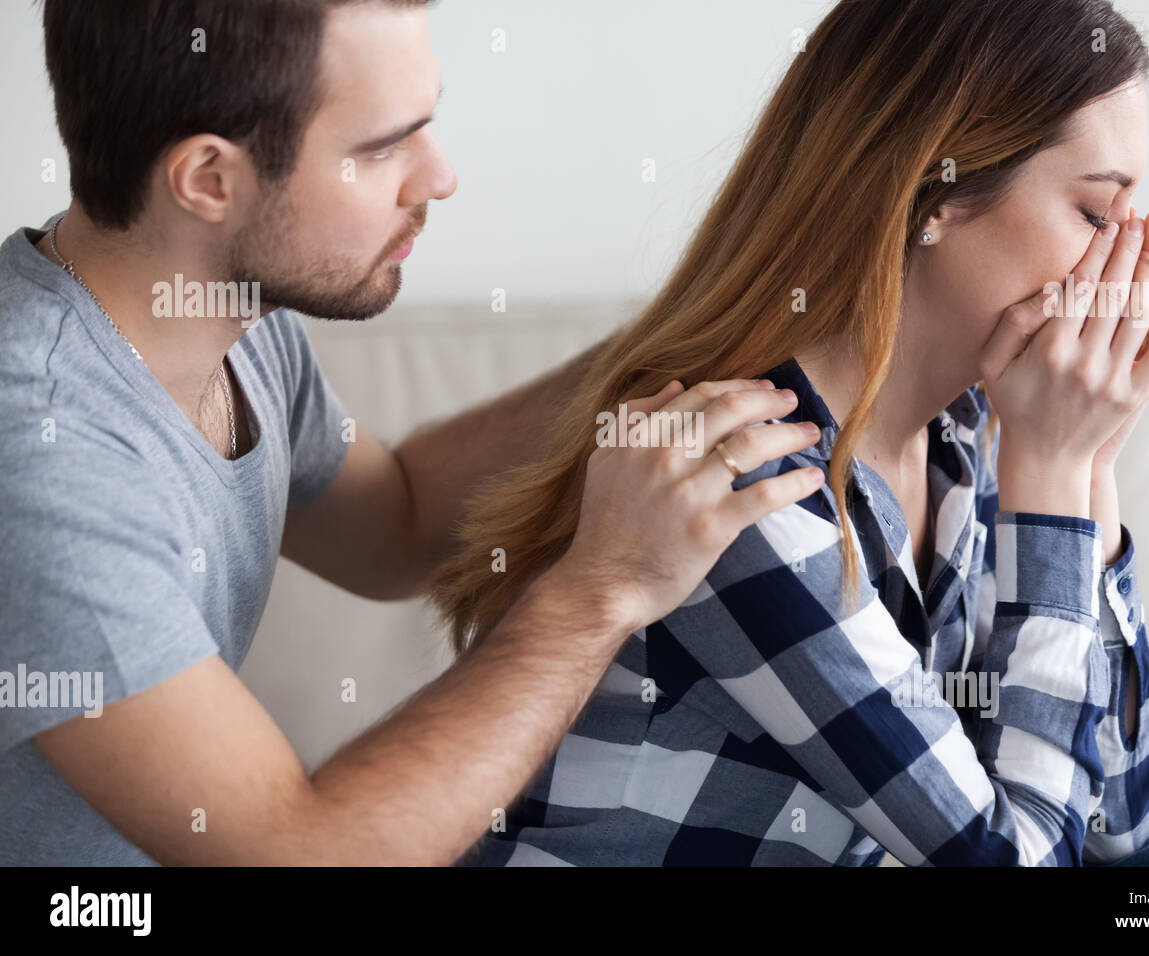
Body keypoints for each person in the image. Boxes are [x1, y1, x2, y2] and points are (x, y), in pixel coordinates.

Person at [433, 0, 1149, 866]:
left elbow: (1111, 831)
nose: (1120, 267)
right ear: (932, 195)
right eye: (1097, 218)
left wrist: (1089, 466)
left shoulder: (965, 442)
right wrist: (1054, 470)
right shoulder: (745, 473)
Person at [0, 0, 827, 866]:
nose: (438, 178)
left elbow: (394, 526)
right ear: (209, 179)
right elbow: (305, 855)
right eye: (382, 146)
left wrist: (692, 332)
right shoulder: (48, 458)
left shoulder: (238, 319)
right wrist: (604, 589)